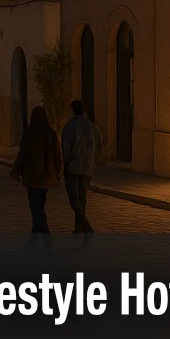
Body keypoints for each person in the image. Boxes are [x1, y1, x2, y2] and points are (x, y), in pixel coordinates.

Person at [11, 107, 63, 242]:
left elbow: (22, 154)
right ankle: (34, 237)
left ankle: (46, 234)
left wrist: (16, 169)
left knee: (36, 207)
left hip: (32, 177)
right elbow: (58, 155)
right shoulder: (51, 134)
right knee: (39, 206)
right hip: (46, 177)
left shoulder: (30, 134)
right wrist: (57, 171)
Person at [62, 100, 102, 238]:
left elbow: (66, 147)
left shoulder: (70, 126)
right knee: (82, 198)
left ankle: (85, 226)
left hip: (73, 167)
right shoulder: (92, 126)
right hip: (87, 167)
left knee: (74, 198)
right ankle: (78, 227)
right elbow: (100, 144)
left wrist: (65, 162)